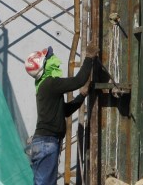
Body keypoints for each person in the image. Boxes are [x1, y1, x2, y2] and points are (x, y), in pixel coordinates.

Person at [25, 43, 97, 185]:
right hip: (47, 142)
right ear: (44, 66)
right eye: (49, 58)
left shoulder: (44, 87)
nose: (54, 60)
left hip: (44, 142)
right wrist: (89, 57)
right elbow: (78, 81)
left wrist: (81, 95)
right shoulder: (50, 83)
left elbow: (65, 111)